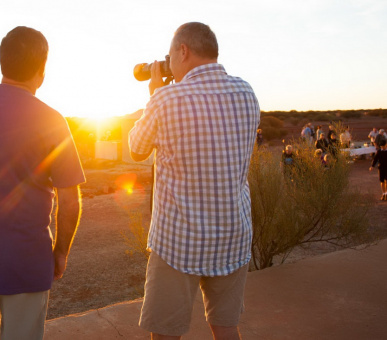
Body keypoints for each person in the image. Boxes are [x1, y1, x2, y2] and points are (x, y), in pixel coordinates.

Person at [129, 22, 260, 340]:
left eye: (171, 55)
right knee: (226, 327)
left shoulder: (167, 99)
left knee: (165, 332)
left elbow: (136, 148)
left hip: (179, 240)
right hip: (233, 233)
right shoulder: (246, 92)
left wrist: (156, 93)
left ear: (182, 51)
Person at [0, 27, 85, 340]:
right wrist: (61, 252)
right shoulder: (51, 120)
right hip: (26, 260)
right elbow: (70, 200)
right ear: (42, 69)